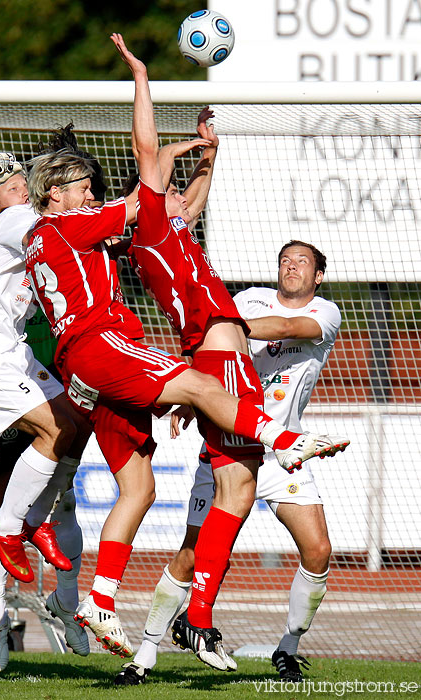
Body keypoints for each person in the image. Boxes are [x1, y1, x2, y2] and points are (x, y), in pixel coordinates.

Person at [22, 33, 348, 661]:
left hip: (155, 355)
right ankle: (284, 445)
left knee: (209, 489)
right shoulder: (143, 225)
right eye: (168, 190)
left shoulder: (164, 226)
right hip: (208, 354)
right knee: (236, 485)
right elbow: (150, 161)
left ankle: (160, 622)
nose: (180, 201)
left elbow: (186, 198)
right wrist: (146, 88)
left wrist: (205, 154)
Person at [116, 238, 340, 684]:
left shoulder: (325, 312)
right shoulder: (246, 299)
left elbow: (282, 328)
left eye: (302, 262)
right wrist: (190, 394)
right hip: (227, 441)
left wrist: (226, 326)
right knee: (190, 555)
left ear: (317, 276)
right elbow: (210, 353)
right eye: (285, 260)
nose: (291, 267)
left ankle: (288, 650)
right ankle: (143, 656)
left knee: (317, 550)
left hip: (281, 450)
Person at [0, 144, 105, 670]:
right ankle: (2, 581)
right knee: (40, 451)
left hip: (19, 358)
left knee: (76, 426)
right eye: (79, 187)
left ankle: (31, 525)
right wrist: (125, 208)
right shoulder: (19, 218)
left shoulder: (47, 229)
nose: (17, 188)